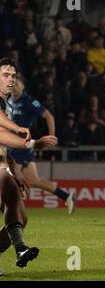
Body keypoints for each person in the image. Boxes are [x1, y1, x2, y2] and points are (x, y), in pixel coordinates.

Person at [0, 58, 58, 275]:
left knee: (20, 216)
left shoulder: (7, 103)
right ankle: (20, 248)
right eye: (6, 74)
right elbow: (2, 132)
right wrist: (33, 142)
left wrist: (14, 170)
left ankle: (20, 249)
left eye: (13, 76)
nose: (11, 79)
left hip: (3, 164)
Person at [8, 76, 76, 214]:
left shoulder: (29, 102)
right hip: (14, 145)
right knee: (33, 181)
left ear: (23, 86)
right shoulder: (8, 101)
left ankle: (15, 211)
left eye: (16, 83)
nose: (13, 86)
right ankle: (66, 196)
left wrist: (51, 136)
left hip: (22, 146)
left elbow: (49, 116)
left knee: (14, 178)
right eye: (11, 84)